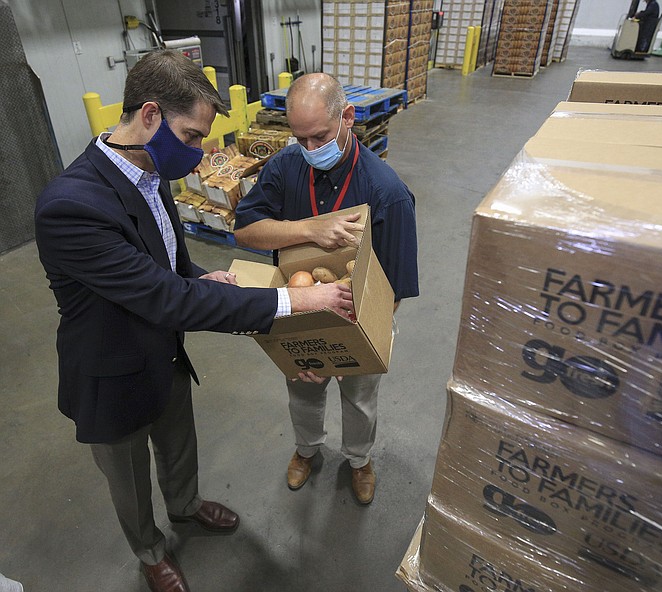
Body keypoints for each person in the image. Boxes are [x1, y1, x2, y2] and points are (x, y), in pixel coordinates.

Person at [34, 50, 352, 592]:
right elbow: (166, 299)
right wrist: (297, 303)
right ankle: (151, 550)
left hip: (163, 352)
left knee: (179, 440)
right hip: (110, 370)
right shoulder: (71, 207)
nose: (199, 152)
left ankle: (185, 505)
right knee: (129, 477)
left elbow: (169, 266)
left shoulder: (150, 174)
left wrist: (200, 276)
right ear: (150, 115)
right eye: (191, 137)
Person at [234, 73, 419, 506]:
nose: (312, 150)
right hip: (299, 312)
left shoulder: (385, 192)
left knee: (360, 397)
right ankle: (307, 448)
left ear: (348, 118)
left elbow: (394, 288)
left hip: (363, 321)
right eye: (302, 139)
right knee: (302, 385)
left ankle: (359, 459)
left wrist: (347, 347)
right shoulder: (284, 167)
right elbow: (246, 230)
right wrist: (307, 229)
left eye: (320, 136)